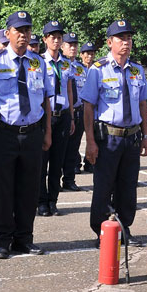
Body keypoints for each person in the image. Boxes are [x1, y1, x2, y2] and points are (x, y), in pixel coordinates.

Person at [0, 10, 52, 259]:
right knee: (3, 189)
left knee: (29, 189)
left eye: (27, 30)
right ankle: (2, 239)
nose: (24, 35)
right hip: (3, 133)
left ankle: (24, 238)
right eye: (19, 30)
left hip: (32, 133)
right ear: (7, 33)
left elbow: (46, 102)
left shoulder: (37, 62)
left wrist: (47, 132)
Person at [82, 19, 147, 247]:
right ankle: (102, 230)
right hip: (108, 137)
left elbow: (142, 104)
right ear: (110, 42)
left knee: (127, 186)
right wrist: (90, 142)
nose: (126, 42)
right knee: (103, 186)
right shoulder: (98, 70)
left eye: (129, 38)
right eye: (121, 38)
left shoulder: (137, 70)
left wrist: (145, 135)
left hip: (131, 136)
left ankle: (124, 228)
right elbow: (89, 106)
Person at [37, 21, 75, 216]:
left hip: (63, 116)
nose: (56, 40)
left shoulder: (67, 63)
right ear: (45, 39)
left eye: (59, 37)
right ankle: (41, 201)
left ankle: (53, 200)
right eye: (52, 36)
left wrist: (72, 118)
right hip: (45, 116)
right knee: (42, 161)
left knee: (57, 162)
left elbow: (69, 89)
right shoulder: (38, 62)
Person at [61, 32, 86, 189]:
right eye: (70, 44)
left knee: (73, 149)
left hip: (79, 111)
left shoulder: (80, 68)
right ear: (62, 46)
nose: (73, 47)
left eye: (75, 45)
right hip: (62, 113)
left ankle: (69, 180)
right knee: (58, 149)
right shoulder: (58, 64)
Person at [79, 41, 97, 173]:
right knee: (77, 138)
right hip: (80, 108)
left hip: (94, 109)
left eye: (92, 54)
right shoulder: (77, 68)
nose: (89, 57)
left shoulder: (96, 69)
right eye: (87, 54)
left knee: (93, 135)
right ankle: (74, 163)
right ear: (81, 55)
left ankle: (89, 162)